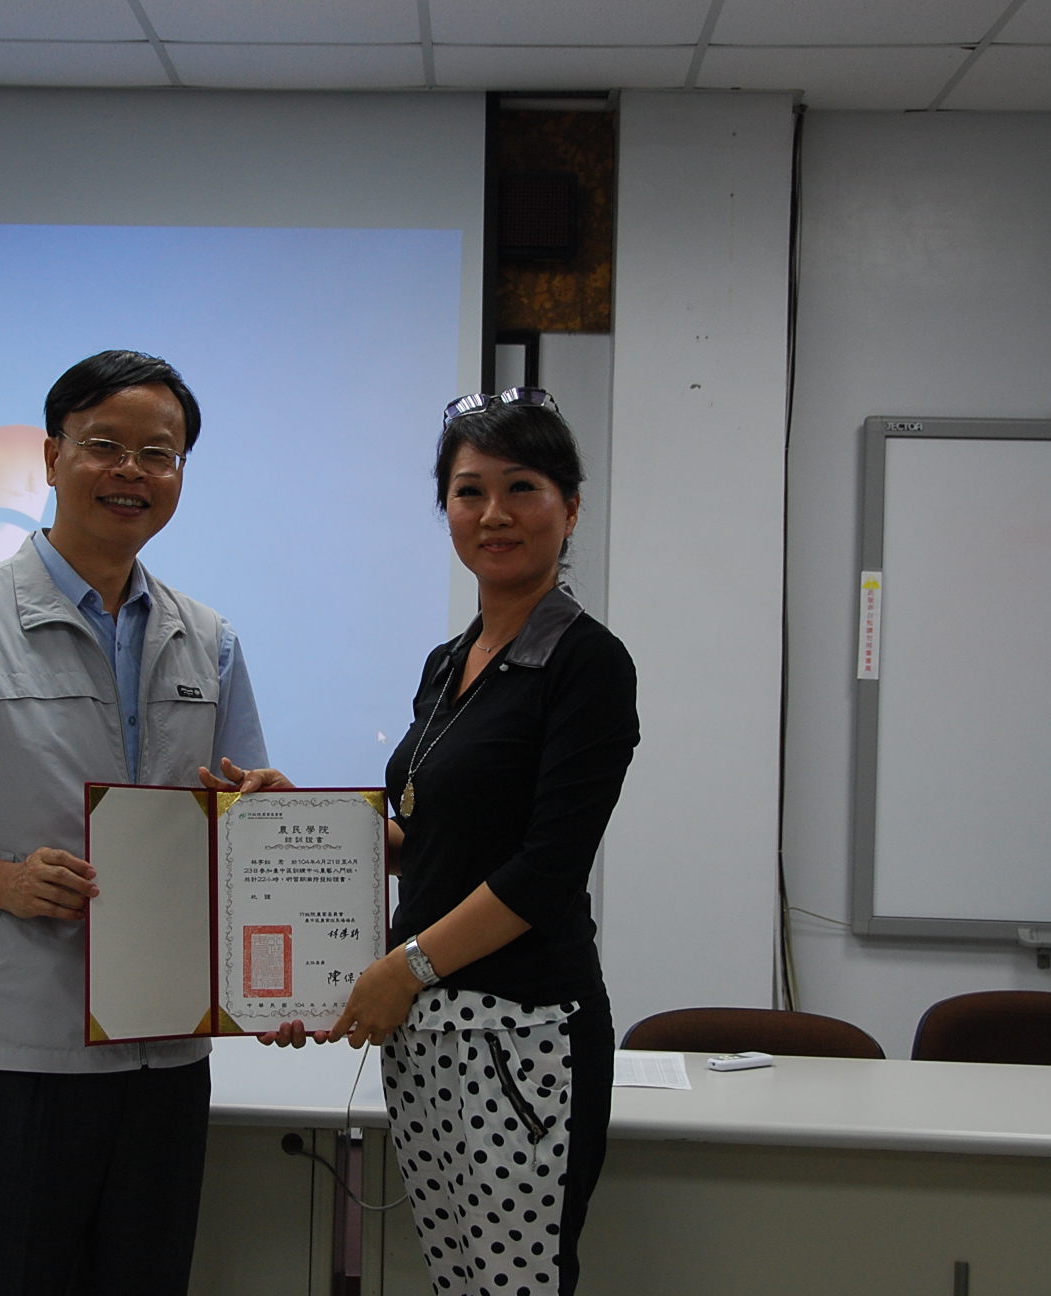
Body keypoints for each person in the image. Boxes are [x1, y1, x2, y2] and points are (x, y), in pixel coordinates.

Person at [0, 350, 286, 1296]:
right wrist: (1, 879)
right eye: (104, 446)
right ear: (49, 456)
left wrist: (264, 820)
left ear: (181, 475)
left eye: (159, 454)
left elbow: (235, 810)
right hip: (17, 1053)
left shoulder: (211, 637)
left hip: (165, 1049)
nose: (132, 472)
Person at [264, 387, 639, 1296]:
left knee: (515, 1286)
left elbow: (545, 872)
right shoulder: (450, 660)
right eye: (469, 492)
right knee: (455, 1280)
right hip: (425, 1030)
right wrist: (296, 825)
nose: (494, 514)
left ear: (571, 506)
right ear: (447, 511)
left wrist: (405, 967)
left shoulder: (588, 662)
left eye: (523, 487)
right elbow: (432, 838)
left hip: (525, 1034)